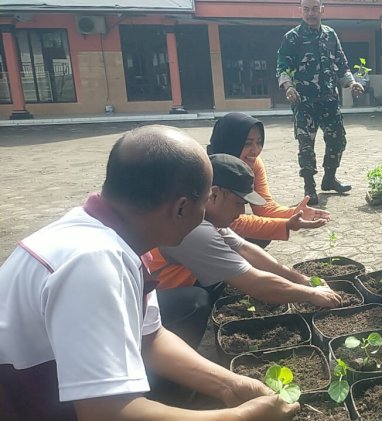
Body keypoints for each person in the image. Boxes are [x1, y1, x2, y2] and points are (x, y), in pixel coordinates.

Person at [0, 126, 298, 420]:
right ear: (181, 208)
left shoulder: (114, 236)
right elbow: (106, 414)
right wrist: (241, 417)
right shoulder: (93, 263)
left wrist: (230, 385)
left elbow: (151, 337)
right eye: (205, 200)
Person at [148, 153, 342, 347]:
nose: (242, 212)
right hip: (145, 299)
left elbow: (246, 249)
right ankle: (163, 355)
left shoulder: (204, 215)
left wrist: (303, 280)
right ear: (214, 194)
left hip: (171, 284)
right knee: (195, 301)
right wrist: (312, 294)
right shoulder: (194, 228)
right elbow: (255, 284)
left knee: (222, 277)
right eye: (239, 203)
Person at [276, 0, 365, 205]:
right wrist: (288, 87)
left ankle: (329, 178)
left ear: (322, 10)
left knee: (338, 140)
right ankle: (309, 187)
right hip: (304, 102)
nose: (311, 13)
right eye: (306, 9)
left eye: (315, 8)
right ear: (301, 11)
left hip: (329, 100)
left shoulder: (331, 35)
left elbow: (342, 65)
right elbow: (282, 67)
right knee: (306, 145)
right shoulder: (292, 37)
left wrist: (352, 84)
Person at [207, 112, 331, 247]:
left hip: (225, 230)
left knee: (262, 235)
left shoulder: (253, 163)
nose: (255, 150)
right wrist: (285, 224)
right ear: (230, 143)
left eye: (259, 142)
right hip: (200, 233)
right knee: (263, 230)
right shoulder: (207, 169)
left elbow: (264, 207)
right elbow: (231, 223)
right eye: (248, 143)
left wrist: (294, 213)